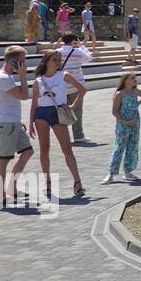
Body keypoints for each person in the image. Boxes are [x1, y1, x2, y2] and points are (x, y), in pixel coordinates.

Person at [30, 49, 86, 199]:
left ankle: (77, 182)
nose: (57, 62)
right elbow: (34, 103)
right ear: (46, 61)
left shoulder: (64, 75)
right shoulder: (39, 80)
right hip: (41, 114)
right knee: (44, 149)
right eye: (54, 59)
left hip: (58, 112)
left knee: (67, 149)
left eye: (59, 60)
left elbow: (82, 89)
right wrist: (30, 123)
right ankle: (47, 183)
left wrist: (72, 105)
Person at [0, 45, 34, 208]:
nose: (23, 65)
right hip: (6, 124)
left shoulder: (6, 76)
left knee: (28, 152)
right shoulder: (3, 78)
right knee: (3, 160)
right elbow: (24, 96)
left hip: (12, 122)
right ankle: (0, 196)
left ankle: (11, 188)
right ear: (11, 60)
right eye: (21, 61)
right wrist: (22, 76)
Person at [102, 73, 141, 184]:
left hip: (135, 123)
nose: (135, 80)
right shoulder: (120, 94)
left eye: (135, 78)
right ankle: (111, 174)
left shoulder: (136, 92)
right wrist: (125, 121)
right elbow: (114, 111)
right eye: (132, 78)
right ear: (125, 80)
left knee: (132, 147)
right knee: (119, 147)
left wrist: (138, 103)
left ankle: (128, 172)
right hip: (123, 124)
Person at [54, 32, 93, 145]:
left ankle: (62, 135)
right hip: (76, 85)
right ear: (73, 41)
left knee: (62, 111)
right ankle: (78, 135)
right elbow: (89, 57)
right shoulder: (78, 52)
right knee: (77, 110)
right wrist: (81, 45)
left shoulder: (57, 53)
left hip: (61, 86)